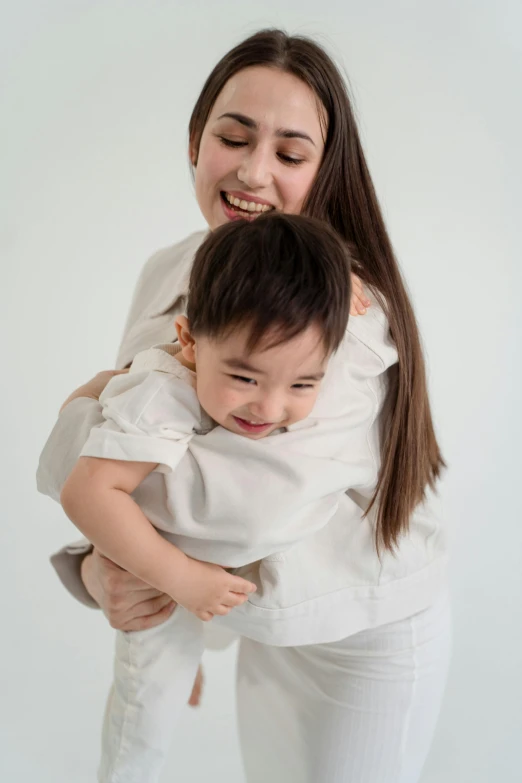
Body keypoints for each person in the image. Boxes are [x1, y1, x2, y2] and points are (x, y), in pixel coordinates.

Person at [37, 29, 451, 783]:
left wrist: (111, 539)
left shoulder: (341, 313)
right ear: (196, 141)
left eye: (290, 155)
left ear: (324, 171)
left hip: (366, 632)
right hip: (266, 627)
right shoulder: (172, 268)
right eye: (233, 138)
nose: (255, 172)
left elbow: (237, 509)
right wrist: (114, 559)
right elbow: (145, 444)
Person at [58, 213, 353, 782]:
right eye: (244, 378)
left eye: (301, 384)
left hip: (205, 571)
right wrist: (180, 579)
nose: (268, 409)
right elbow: (86, 492)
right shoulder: (163, 399)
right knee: (143, 725)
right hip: (153, 572)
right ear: (189, 342)